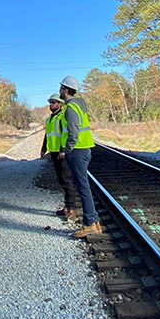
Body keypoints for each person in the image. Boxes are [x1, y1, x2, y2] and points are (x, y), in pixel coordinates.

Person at [57, 75, 103, 238]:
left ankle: (90, 223)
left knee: (83, 187)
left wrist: (67, 149)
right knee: (83, 186)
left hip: (77, 151)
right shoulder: (76, 106)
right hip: (82, 150)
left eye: (61, 88)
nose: (59, 91)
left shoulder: (70, 108)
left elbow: (74, 132)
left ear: (67, 90)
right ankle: (93, 221)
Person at [42, 95, 79, 223]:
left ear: (60, 104)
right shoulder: (49, 119)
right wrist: (43, 150)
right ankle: (67, 206)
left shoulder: (62, 116)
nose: (50, 104)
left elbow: (66, 134)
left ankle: (72, 208)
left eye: (53, 102)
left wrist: (63, 150)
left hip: (61, 153)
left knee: (66, 179)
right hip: (53, 153)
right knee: (61, 180)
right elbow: (47, 135)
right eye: (50, 102)